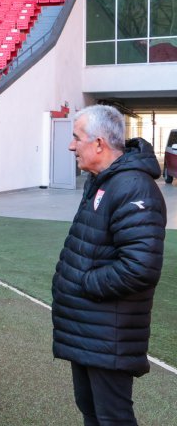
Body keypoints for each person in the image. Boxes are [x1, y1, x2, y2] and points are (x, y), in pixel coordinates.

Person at [52, 105, 165, 426]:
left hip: (108, 330)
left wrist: (84, 283)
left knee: (112, 417)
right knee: (91, 410)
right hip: (90, 327)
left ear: (99, 144)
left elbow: (140, 267)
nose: (71, 145)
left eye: (76, 138)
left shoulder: (133, 187)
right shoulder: (103, 180)